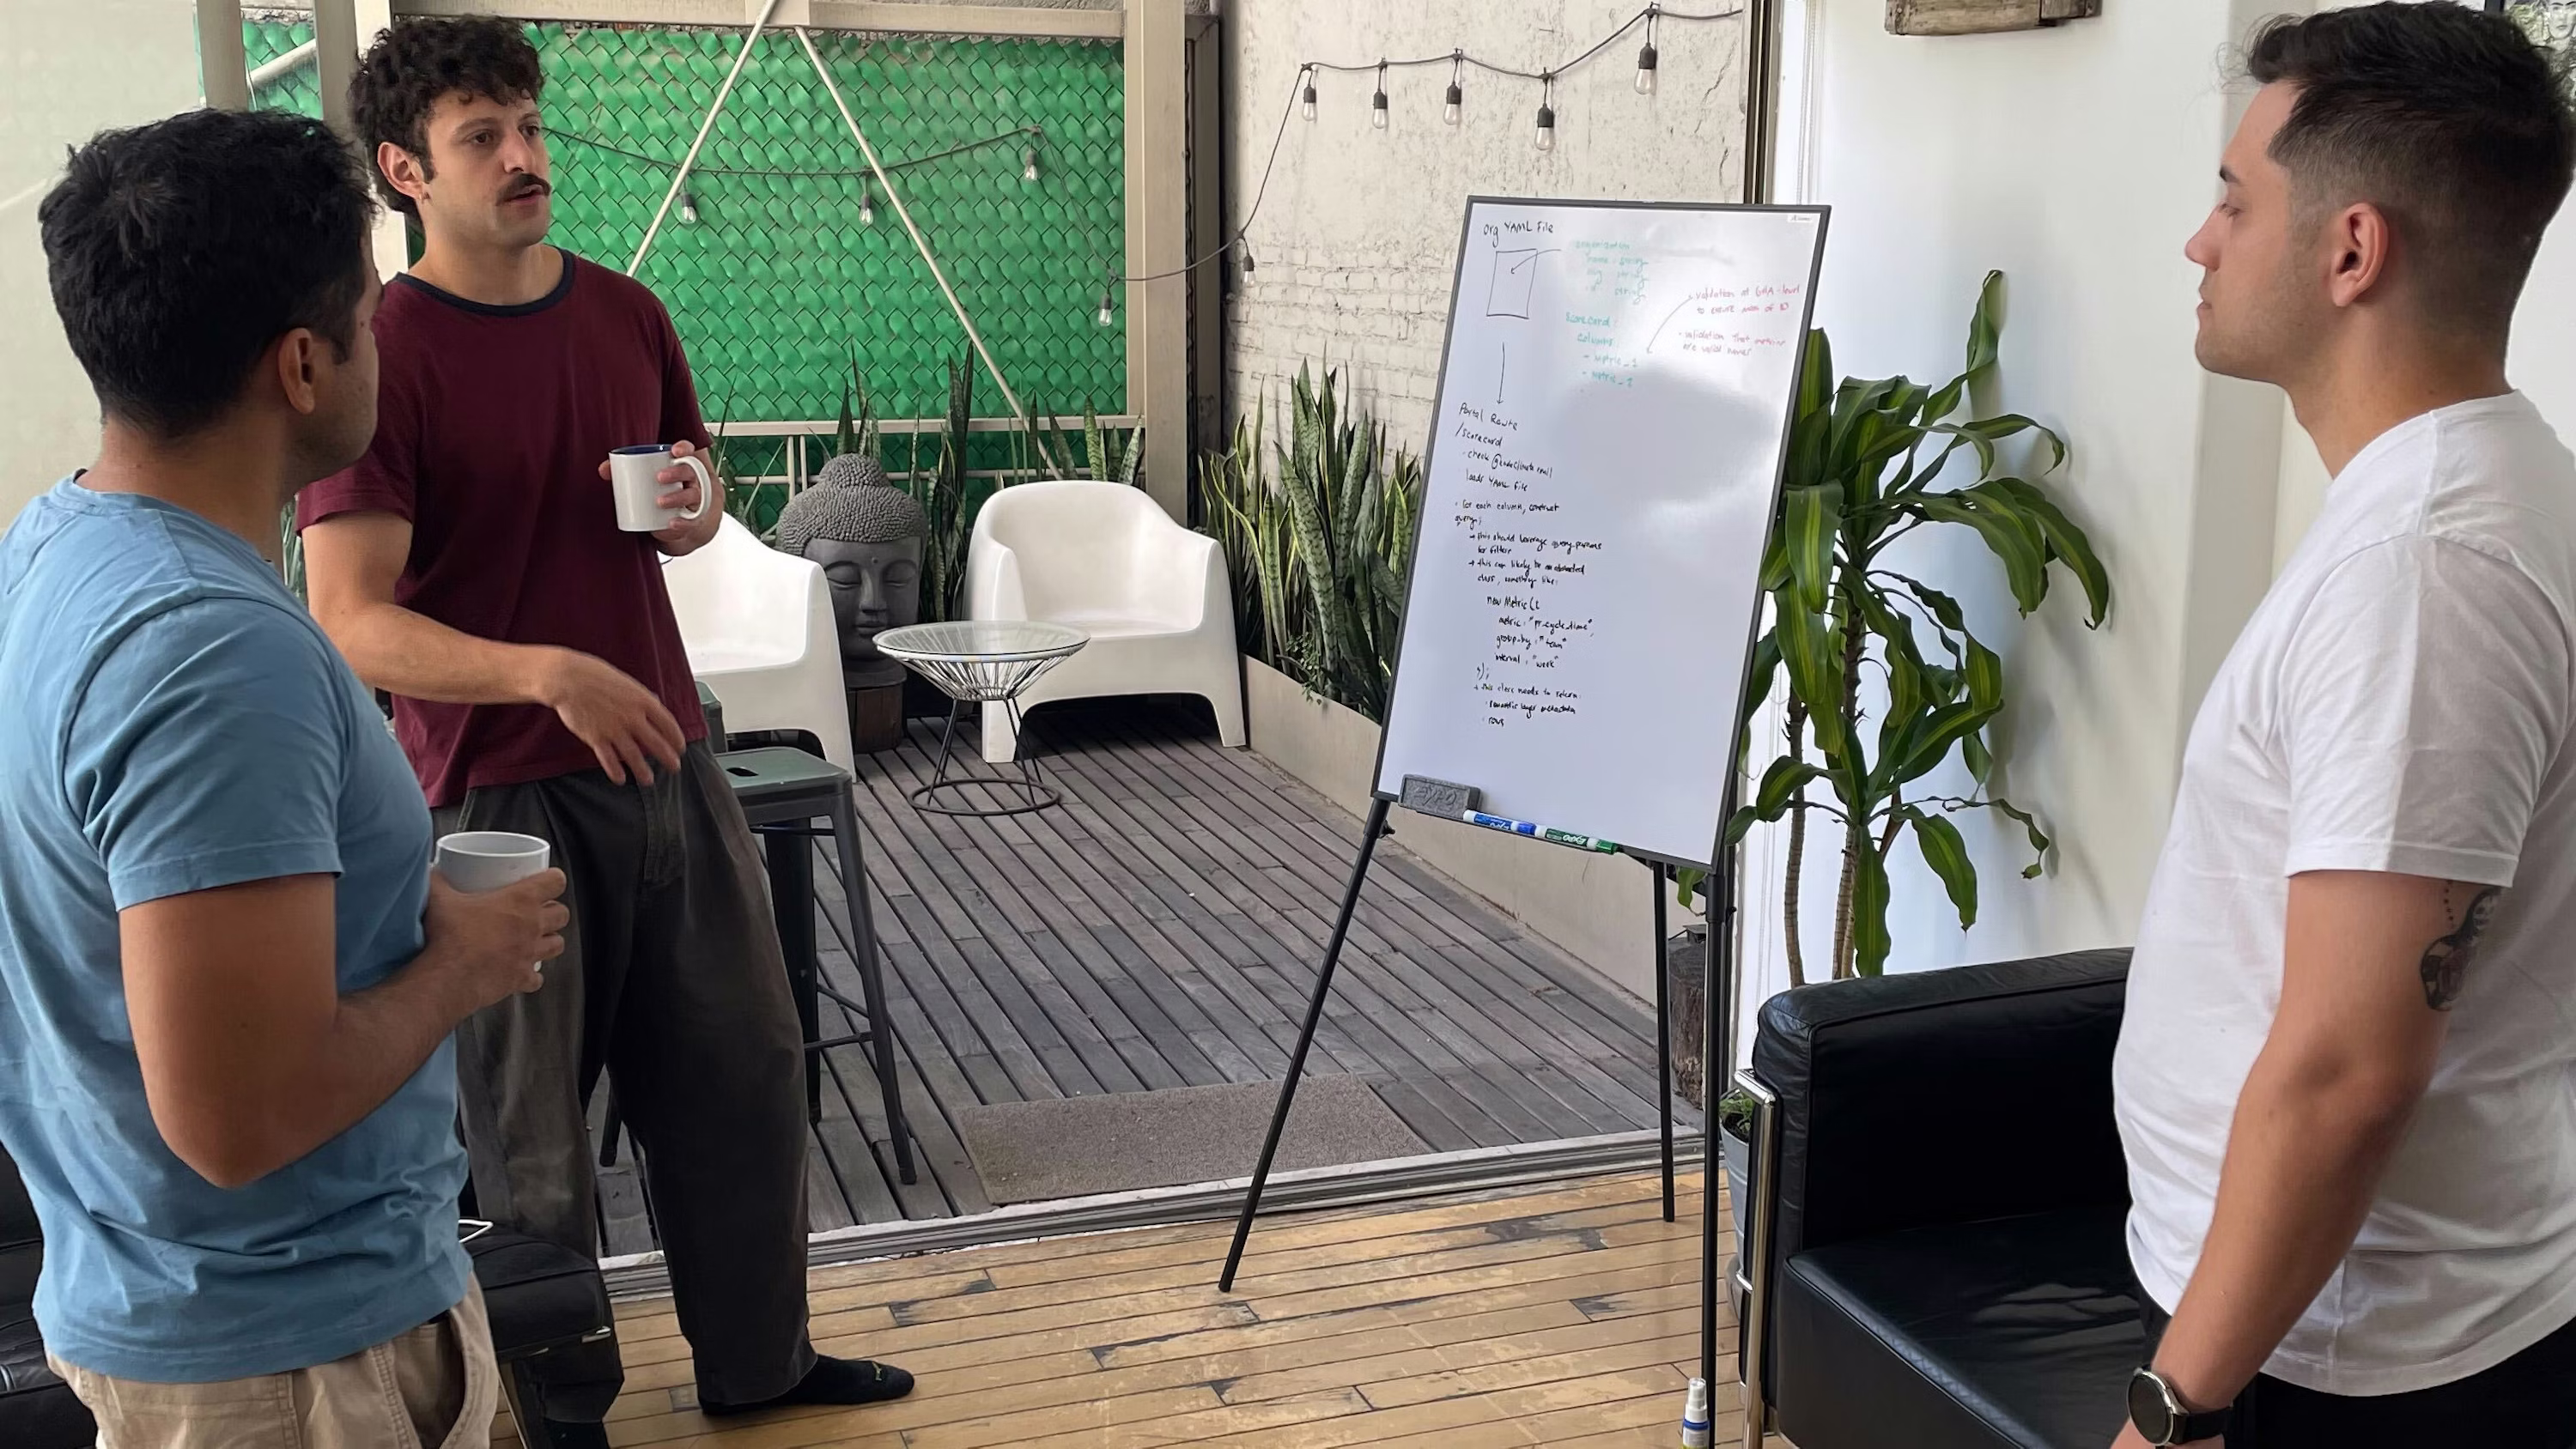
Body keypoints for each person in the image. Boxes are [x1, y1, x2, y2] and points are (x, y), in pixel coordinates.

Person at [297, 17, 913, 1440]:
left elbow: (684, 510)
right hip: (490, 803)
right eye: (480, 138)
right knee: (527, 1142)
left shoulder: (628, 313)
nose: (524, 158)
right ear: (404, 171)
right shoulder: (383, 353)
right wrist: (544, 674)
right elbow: (350, 617)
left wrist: (700, 514)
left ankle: (760, 1364)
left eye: (528, 126)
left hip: (663, 759)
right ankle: (557, 1413)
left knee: (746, 1072)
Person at [1, 108, 570, 1447]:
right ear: (304, 364)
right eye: (370, 320)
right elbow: (237, 1116)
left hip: (181, 1305)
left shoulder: (53, 548)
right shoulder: (211, 655)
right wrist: (461, 967)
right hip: (298, 1364)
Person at [2113, 6, 2576, 1446]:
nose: (2201, 242)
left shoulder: (2424, 572)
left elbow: (2350, 1065)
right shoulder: (2495, 491)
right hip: (2340, 1317)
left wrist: (2174, 1412)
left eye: (2234, 201)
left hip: (2332, 1356)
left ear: (2352, 250)